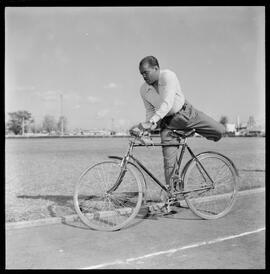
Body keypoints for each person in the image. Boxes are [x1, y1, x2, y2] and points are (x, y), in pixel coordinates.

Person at [130, 56, 225, 210]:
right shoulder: (144, 89)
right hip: (168, 125)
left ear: (156, 68)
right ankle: (172, 200)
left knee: (220, 130)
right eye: (141, 74)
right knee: (169, 164)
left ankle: (195, 131)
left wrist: (151, 122)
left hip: (186, 115)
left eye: (146, 72)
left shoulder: (168, 76)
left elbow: (167, 103)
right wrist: (147, 129)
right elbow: (149, 111)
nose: (144, 76)